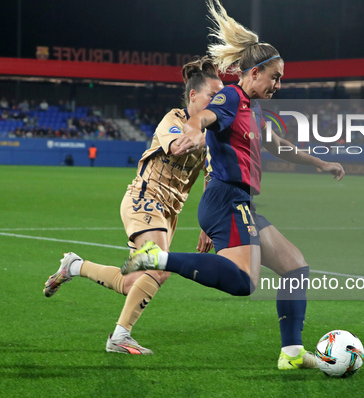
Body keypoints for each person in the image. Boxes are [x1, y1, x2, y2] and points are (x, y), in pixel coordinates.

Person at [123, 0, 345, 370]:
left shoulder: (254, 110)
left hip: (238, 201)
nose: (278, 84)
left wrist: (320, 163)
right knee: (244, 281)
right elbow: (206, 116)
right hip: (226, 199)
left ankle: (291, 354)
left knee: (295, 266)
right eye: (274, 77)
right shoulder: (230, 96)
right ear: (254, 73)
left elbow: (279, 146)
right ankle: (157, 258)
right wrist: (193, 132)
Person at [43, 57, 223, 354]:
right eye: (211, 97)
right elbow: (178, 147)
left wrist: (207, 225)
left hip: (168, 213)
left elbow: (210, 178)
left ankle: (74, 266)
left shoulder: (213, 132)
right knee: (161, 268)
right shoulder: (175, 119)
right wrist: (205, 138)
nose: (216, 103)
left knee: (133, 284)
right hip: (145, 197)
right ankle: (119, 337)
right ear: (193, 96)